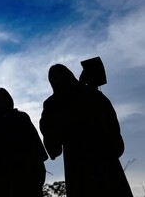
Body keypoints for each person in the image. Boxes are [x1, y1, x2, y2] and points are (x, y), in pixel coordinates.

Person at [40, 63, 133, 197]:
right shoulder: (53, 103)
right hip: (77, 155)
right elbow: (48, 128)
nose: (56, 79)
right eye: (53, 77)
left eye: (58, 75)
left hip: (100, 151)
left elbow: (108, 118)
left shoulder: (89, 93)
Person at [0, 88, 48, 197]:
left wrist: (39, 168)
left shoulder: (21, 117)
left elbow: (35, 143)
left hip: (25, 171)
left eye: (3, 98)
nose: (0, 101)